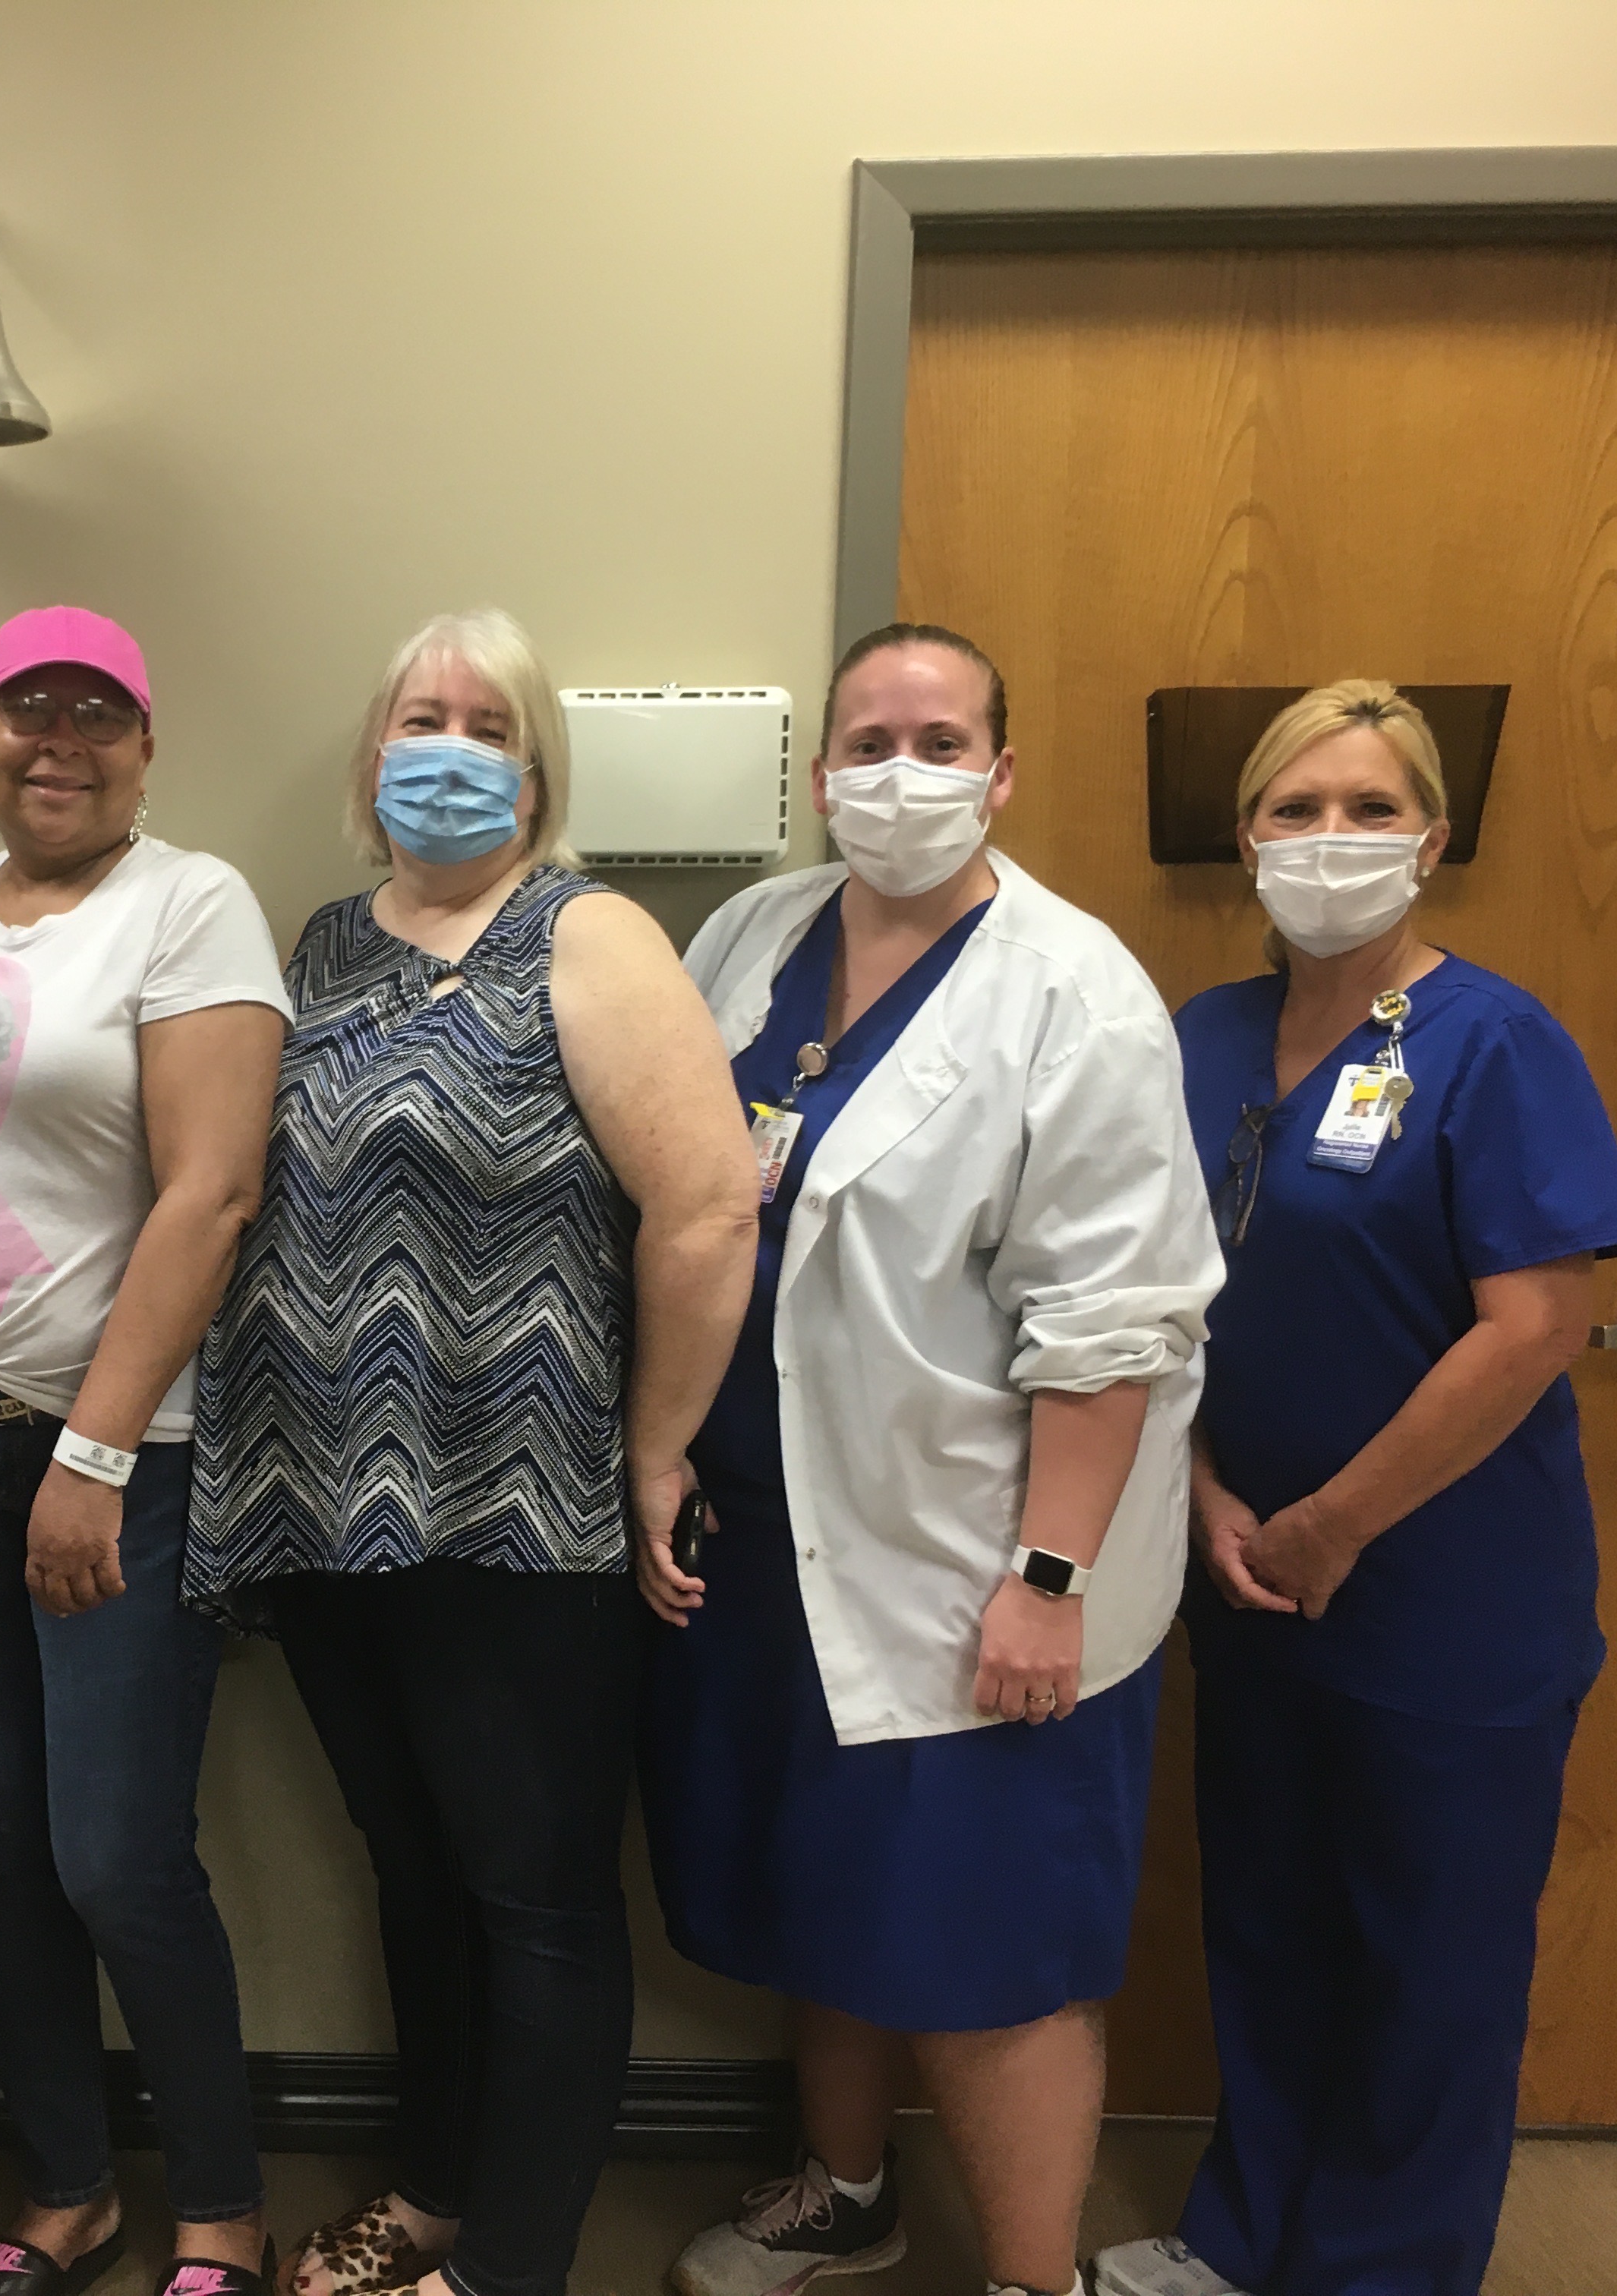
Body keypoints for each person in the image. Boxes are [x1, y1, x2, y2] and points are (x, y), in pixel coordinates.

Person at [641, 625, 1222, 2296]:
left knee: (995, 1953)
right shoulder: (755, 936)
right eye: (869, 743)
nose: (902, 774)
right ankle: (846, 2189)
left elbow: (1117, 1327)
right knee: (828, 1892)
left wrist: (1048, 1582)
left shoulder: (1076, 990)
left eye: (942, 741)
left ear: (1003, 771)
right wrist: (659, 1448)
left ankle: (1034, 2281)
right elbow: (688, 1206)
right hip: (774, 1537)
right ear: (817, 775)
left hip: (983, 1559)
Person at [188, 607, 758, 2296]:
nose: (448, 749)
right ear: (373, 760)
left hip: (521, 1511)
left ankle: (509, 2266)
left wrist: (657, 1450)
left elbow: (711, 1207)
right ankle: (434, 2196)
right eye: (419, 718)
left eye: (487, 726)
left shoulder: (589, 940)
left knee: (538, 1902)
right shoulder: (321, 943)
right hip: (326, 1505)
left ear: (535, 768)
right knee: (416, 1876)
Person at [1092, 683, 1617, 2296]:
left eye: (1369, 808)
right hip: (1246, 1566)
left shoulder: (1495, 1042)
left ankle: (1384, 2271)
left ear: (1433, 840)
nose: (1331, 839)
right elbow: (1147, 1296)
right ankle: (1242, 2237)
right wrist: (1201, 1490)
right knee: (1264, 1925)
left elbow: (1537, 1324)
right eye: (1296, 809)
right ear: (1247, 837)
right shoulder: (1193, 1039)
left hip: (1447, 1593)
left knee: (1430, 1963)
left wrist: (1336, 1522)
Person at [0, 606, 290, 2296]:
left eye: (96, 713)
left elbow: (213, 1194)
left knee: (117, 1851)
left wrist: (96, 1456)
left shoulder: (191, 906)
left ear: (146, 741)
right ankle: (63, 2189)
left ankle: (217, 2207)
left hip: (117, 1449)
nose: (58, 741)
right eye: (24, 709)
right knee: (1, 1836)